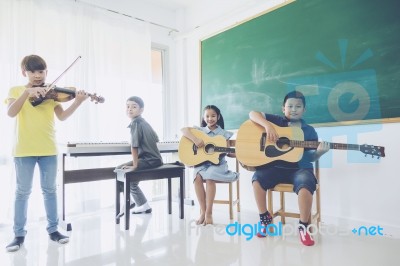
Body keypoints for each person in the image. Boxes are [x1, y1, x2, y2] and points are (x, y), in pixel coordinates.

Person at [5, 55, 89, 252]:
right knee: (22, 192)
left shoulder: (51, 93)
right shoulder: (16, 91)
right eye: (32, 71)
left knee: (50, 190)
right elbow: (11, 112)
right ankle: (18, 234)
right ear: (24, 72)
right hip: (24, 149)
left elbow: (62, 117)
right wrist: (27, 93)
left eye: (41, 71)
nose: (37, 75)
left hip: (48, 149)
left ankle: (53, 229)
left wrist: (78, 102)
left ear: (46, 72)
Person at [249, 91, 329, 246]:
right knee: (257, 178)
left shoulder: (309, 130)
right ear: (283, 108)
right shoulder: (277, 121)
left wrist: (319, 152)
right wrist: (267, 126)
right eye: (290, 106)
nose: (294, 109)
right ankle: (265, 218)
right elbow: (252, 113)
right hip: (276, 167)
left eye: (298, 106)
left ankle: (303, 226)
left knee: (306, 182)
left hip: (300, 169)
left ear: (304, 110)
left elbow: (310, 157)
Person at [181, 105, 238, 225]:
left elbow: (227, 152)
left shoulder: (223, 134)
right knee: (197, 177)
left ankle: (209, 213)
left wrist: (239, 154)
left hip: (218, 165)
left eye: (213, 116)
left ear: (218, 117)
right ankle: (202, 211)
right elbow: (184, 130)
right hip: (202, 163)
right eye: (207, 116)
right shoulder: (200, 131)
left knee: (210, 176)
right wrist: (195, 139)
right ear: (203, 117)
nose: (210, 118)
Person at [116, 96, 163, 214]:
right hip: (155, 158)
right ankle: (144, 205)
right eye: (127, 106)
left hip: (150, 160)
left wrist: (135, 166)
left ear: (141, 110)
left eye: (134, 107)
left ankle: (129, 201)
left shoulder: (135, 123)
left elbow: (134, 146)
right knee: (131, 180)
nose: (129, 109)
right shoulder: (144, 122)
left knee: (119, 170)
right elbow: (156, 139)